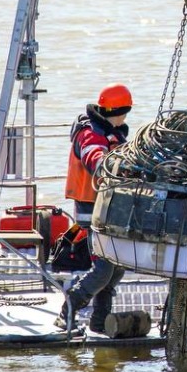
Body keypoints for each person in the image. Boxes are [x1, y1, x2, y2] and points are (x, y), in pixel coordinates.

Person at [56, 83, 133, 333]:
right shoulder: (90, 133)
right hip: (92, 209)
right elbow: (94, 158)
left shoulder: (112, 131)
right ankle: (68, 308)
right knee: (103, 268)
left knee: (116, 266)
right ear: (120, 110)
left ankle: (100, 321)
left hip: (109, 207)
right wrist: (113, 166)